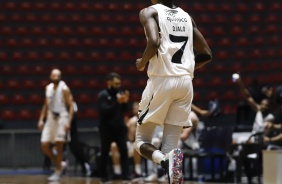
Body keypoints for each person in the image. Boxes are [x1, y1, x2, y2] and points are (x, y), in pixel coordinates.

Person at [134, 0, 212, 183]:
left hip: (162, 79)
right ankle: (170, 164)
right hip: (186, 82)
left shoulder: (149, 12)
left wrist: (141, 63)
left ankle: (164, 160)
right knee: (171, 147)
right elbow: (207, 54)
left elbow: (153, 43)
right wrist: (187, 67)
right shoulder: (187, 16)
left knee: (140, 141)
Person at [37, 69, 74, 181]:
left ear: (60, 77)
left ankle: (57, 171)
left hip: (61, 117)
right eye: (54, 75)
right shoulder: (48, 88)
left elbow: (71, 106)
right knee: (44, 144)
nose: (56, 77)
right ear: (50, 76)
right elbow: (45, 105)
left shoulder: (64, 89)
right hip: (50, 117)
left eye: (58, 75)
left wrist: (68, 122)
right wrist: (40, 120)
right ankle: (60, 163)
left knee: (59, 144)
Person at [97, 72, 130, 182]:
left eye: (119, 84)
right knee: (105, 152)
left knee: (124, 151)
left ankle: (125, 176)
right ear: (109, 82)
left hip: (119, 127)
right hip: (106, 128)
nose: (118, 86)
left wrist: (125, 102)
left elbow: (124, 110)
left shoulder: (120, 93)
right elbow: (105, 110)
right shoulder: (103, 95)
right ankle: (104, 177)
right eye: (116, 84)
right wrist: (117, 102)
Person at [110, 102, 142, 179]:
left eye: (137, 107)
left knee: (136, 145)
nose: (135, 109)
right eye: (134, 108)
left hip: (142, 144)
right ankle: (117, 172)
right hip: (129, 143)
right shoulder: (130, 120)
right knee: (113, 145)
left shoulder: (145, 119)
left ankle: (138, 172)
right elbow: (129, 137)